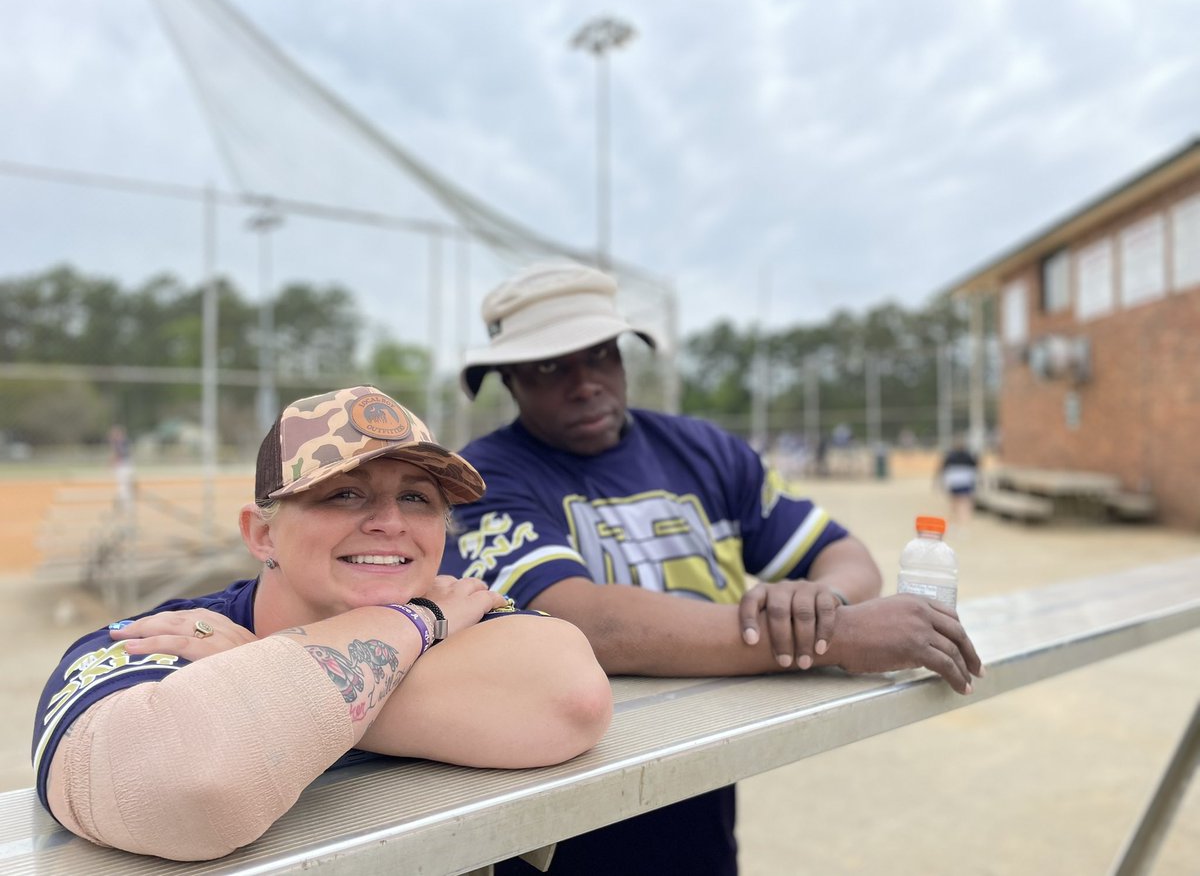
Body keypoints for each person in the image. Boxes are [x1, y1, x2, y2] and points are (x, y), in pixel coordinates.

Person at [442, 261, 984, 875]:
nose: (585, 382)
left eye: (599, 355)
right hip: (554, 812)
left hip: (700, 786)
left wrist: (818, 603)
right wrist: (836, 635)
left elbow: (845, 556)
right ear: (509, 380)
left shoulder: (702, 448)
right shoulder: (481, 478)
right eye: (549, 367)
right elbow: (584, 622)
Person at [32, 385, 612, 861]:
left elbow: (573, 698)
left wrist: (259, 669)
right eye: (344, 495)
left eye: (417, 499)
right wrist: (417, 623)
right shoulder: (166, 638)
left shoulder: (461, 611)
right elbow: (189, 790)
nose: (389, 522)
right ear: (262, 535)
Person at [939, 437, 980, 528]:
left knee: (954, 504)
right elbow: (975, 467)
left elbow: (944, 469)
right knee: (965, 504)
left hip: (954, 482)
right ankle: (963, 525)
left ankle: (954, 524)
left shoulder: (950, 456)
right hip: (965, 482)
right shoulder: (969, 456)